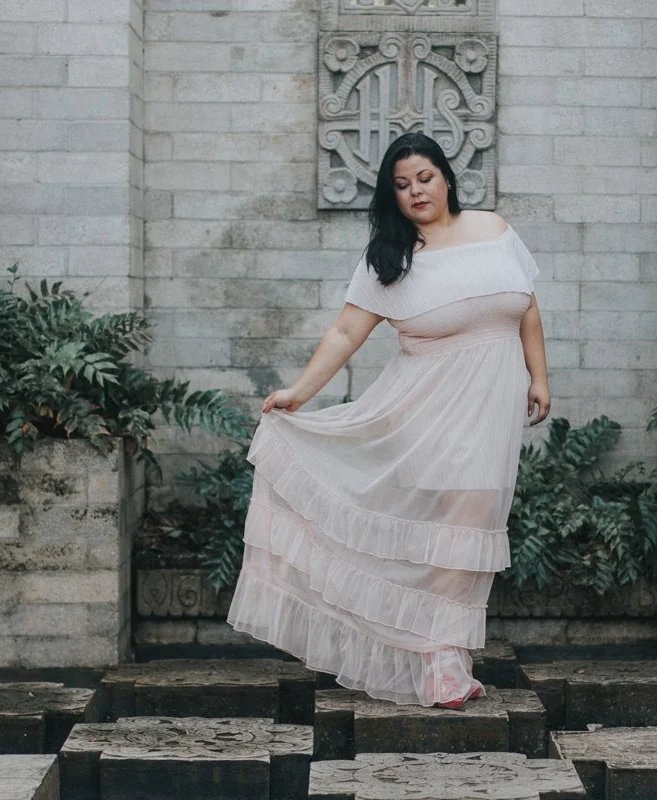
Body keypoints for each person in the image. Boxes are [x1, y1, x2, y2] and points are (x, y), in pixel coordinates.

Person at [225, 131, 551, 709]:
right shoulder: (392, 259)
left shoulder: (495, 230)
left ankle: (441, 655)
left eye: (424, 178)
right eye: (401, 185)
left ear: (446, 177)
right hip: (426, 413)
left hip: (492, 411)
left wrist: (539, 378)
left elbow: (526, 307)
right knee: (454, 529)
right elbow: (347, 331)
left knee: (471, 526)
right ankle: (439, 662)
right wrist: (299, 393)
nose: (415, 192)